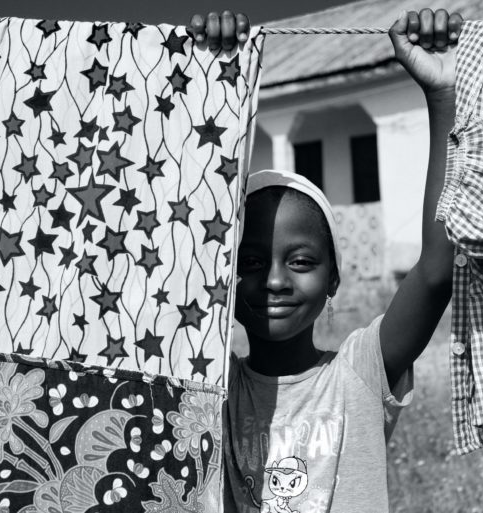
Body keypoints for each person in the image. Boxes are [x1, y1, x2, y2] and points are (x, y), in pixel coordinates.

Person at [190, 9, 460, 512]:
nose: (274, 280)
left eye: (300, 261)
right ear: (224, 276)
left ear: (333, 278)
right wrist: (209, 80)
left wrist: (441, 97)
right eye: (248, 262)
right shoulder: (209, 390)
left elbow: (435, 273)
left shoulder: (360, 372)